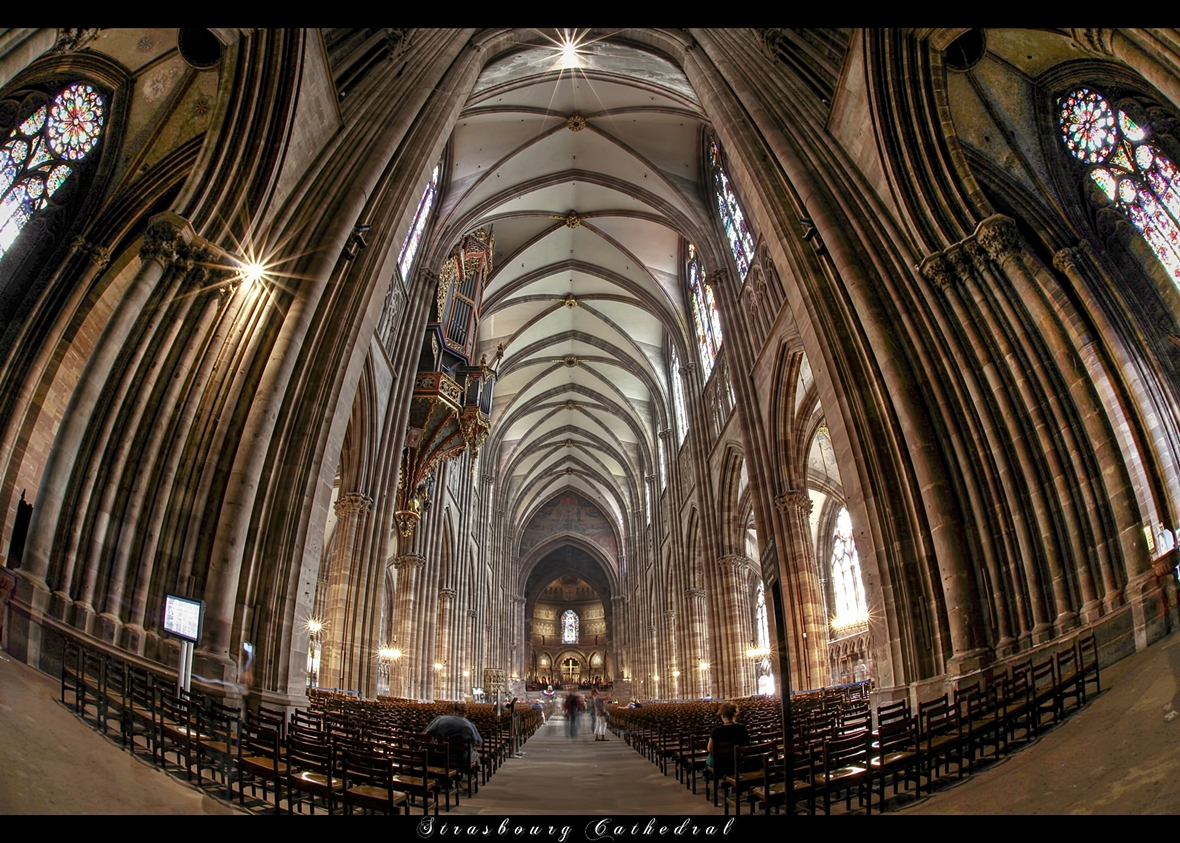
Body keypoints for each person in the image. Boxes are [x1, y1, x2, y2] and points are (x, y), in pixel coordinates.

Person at [422, 703, 483, 767]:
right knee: (476, 755)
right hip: (463, 758)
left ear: (454, 709)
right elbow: (478, 742)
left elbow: (426, 734)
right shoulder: (469, 725)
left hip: (443, 755)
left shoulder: (441, 720)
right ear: (466, 712)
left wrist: (434, 745)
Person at [705, 702, 749, 782]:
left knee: (709, 759)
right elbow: (746, 745)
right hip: (738, 762)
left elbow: (710, 749)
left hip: (720, 764)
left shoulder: (716, 731)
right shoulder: (742, 728)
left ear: (723, 715)